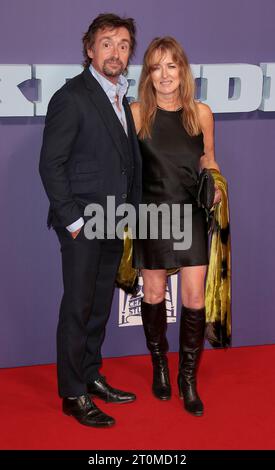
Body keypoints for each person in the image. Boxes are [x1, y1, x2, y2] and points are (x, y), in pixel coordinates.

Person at [39, 13, 142, 427]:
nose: (115, 51)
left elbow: (126, 163)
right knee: (78, 308)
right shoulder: (72, 96)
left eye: (122, 44)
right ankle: (72, 392)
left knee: (99, 305)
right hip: (84, 223)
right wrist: (73, 221)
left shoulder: (121, 97)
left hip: (114, 221)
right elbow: (51, 165)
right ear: (89, 49)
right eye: (106, 43)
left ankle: (92, 374)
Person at [131, 37, 221, 417]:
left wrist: (216, 184)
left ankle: (187, 378)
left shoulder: (200, 113)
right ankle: (159, 368)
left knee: (195, 298)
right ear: (148, 75)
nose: (165, 75)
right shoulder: (136, 114)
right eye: (156, 67)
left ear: (183, 70)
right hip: (151, 213)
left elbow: (210, 161)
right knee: (152, 293)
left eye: (172, 66)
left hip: (189, 214)